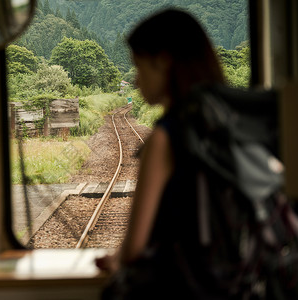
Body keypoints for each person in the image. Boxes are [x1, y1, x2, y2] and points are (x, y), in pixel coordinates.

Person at [95, 8, 225, 298]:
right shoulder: (229, 123)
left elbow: (133, 249)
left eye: (139, 67)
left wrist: (117, 258)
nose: (138, 82)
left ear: (163, 62)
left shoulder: (166, 138)